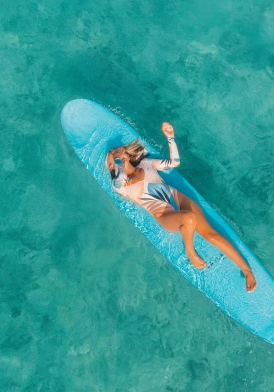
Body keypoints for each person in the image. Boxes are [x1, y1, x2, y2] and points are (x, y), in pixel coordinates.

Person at [106, 122, 257, 292]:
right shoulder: (121, 185)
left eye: (120, 153)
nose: (118, 157)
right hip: (162, 214)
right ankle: (190, 252)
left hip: (176, 197)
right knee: (188, 218)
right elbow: (115, 172)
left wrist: (170, 138)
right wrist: (115, 157)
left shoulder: (147, 164)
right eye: (115, 160)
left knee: (211, 235)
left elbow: (174, 162)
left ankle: (246, 270)